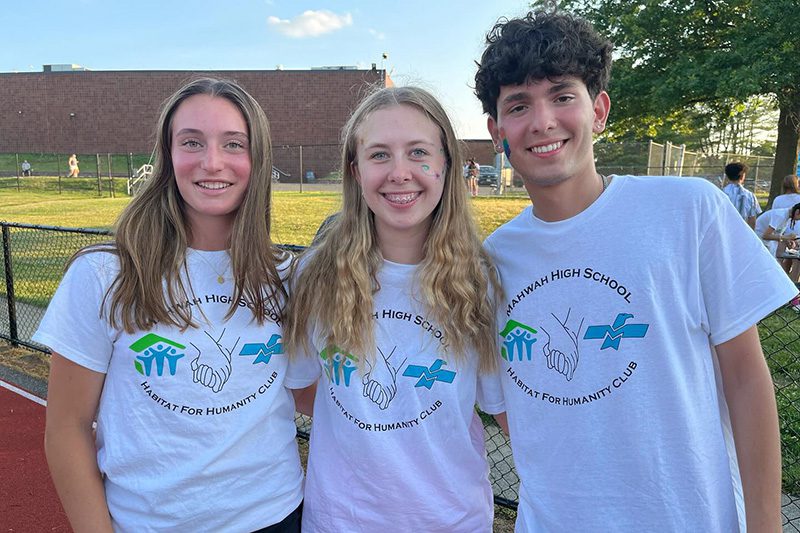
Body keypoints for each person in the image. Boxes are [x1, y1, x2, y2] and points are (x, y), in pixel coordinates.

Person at [474, 10, 796, 532]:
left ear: (598, 109)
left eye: (562, 95)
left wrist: (765, 523)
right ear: (497, 132)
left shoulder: (688, 209)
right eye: (518, 105)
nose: (542, 121)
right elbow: (515, 409)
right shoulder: (490, 262)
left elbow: (745, 376)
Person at [33, 78, 305, 532]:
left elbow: (310, 389)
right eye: (192, 142)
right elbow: (67, 427)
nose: (212, 162)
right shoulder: (106, 274)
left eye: (233, 143)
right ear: (168, 155)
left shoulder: (285, 275)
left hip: (276, 515)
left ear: (257, 159)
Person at [284, 86, 505, 532]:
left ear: (446, 164)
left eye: (419, 152)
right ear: (355, 170)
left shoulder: (482, 281)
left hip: (453, 520)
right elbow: (305, 389)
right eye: (379, 155)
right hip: (341, 521)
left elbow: (503, 408)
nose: (400, 173)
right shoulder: (315, 275)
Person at [722, 161, 761, 228]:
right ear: (742, 175)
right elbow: (752, 221)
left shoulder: (720, 193)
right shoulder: (750, 196)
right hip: (741, 232)